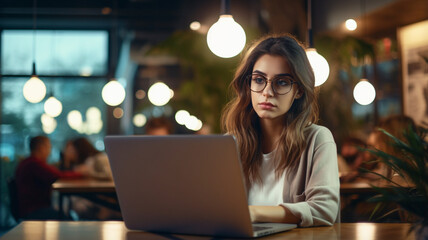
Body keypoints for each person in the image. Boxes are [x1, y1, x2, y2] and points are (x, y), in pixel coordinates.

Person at [221, 34, 339, 227]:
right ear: (248, 84)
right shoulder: (230, 143)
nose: (267, 92)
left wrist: (253, 213)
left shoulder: (317, 139)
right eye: (259, 79)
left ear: (299, 90)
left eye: (282, 82)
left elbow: (324, 210)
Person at [15, 136, 82, 219]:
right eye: (49, 147)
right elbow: (58, 175)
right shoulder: (34, 164)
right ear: (41, 148)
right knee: (68, 219)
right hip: (34, 211)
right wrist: (81, 173)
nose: (49, 151)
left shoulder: (28, 162)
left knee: (68, 215)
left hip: (29, 209)